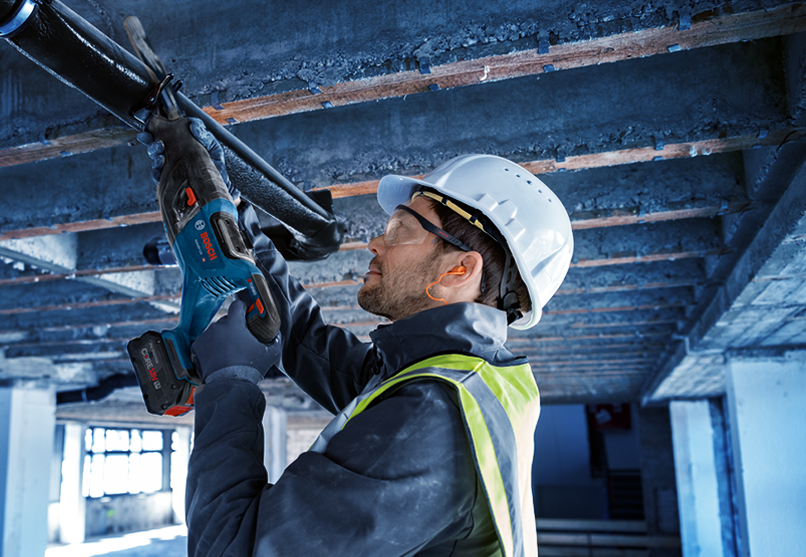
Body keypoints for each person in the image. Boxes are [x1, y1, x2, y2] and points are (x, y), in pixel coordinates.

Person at [143, 117, 574, 557]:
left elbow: (232, 548)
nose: (374, 243)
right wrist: (230, 213)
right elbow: (308, 343)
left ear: (458, 270)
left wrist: (230, 383)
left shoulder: (429, 419)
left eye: (399, 231)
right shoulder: (446, 374)